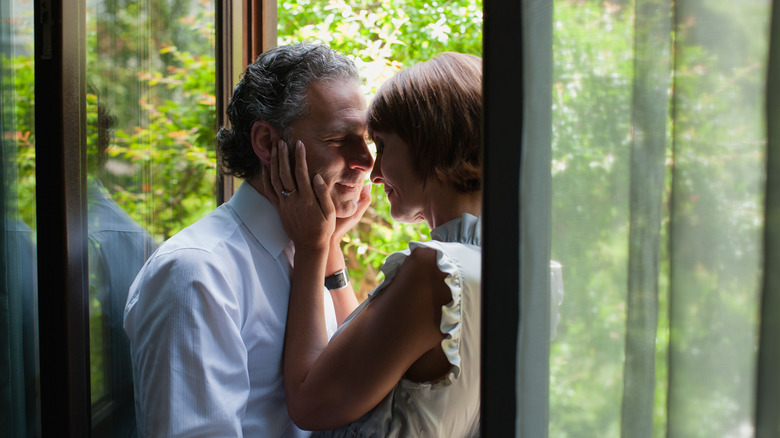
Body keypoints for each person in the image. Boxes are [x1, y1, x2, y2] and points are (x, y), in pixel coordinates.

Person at [123, 43, 373, 437]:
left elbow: (356, 379)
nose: (366, 160)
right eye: (340, 138)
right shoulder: (197, 274)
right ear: (267, 143)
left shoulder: (310, 249)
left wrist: (329, 250)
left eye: (366, 138)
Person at [267, 52, 483, 436]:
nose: (375, 171)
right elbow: (370, 360)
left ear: (428, 142)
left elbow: (308, 402)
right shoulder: (502, 265)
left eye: (381, 145)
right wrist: (332, 253)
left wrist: (311, 249)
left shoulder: (436, 271)